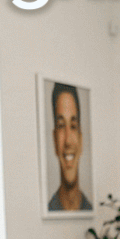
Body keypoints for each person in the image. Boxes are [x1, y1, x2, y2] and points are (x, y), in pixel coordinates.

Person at [48, 82, 92, 213]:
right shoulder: (51, 207)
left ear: (81, 139)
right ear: (54, 139)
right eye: (61, 125)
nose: (68, 141)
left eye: (73, 126)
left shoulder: (88, 207)